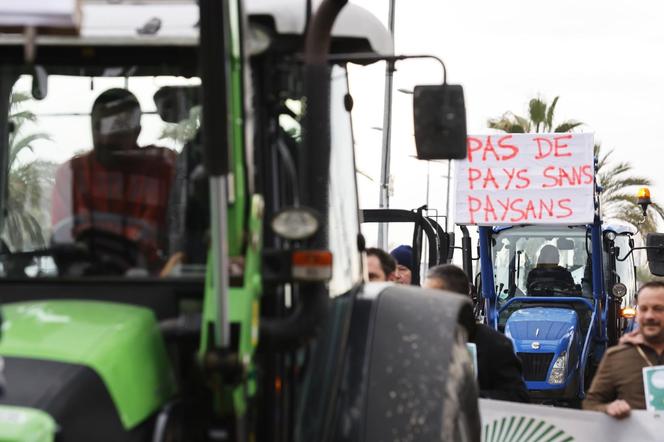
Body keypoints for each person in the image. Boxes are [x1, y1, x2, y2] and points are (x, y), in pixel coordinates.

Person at [51, 88, 176, 273]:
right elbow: (63, 244)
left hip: (153, 286)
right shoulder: (71, 174)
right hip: (85, 284)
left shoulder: (164, 167)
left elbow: (177, 241)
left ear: (137, 131)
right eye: (99, 126)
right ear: (91, 128)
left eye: (117, 127)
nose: (106, 136)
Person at [424, 264, 530, 403]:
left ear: (456, 298)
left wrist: (470, 397)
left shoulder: (495, 345)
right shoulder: (420, 339)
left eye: (433, 297)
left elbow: (518, 398)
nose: (426, 302)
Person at [583, 281, 664, 418]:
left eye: (658, 308)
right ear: (637, 314)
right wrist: (608, 408)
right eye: (643, 309)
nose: (650, 316)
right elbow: (590, 404)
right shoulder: (616, 357)